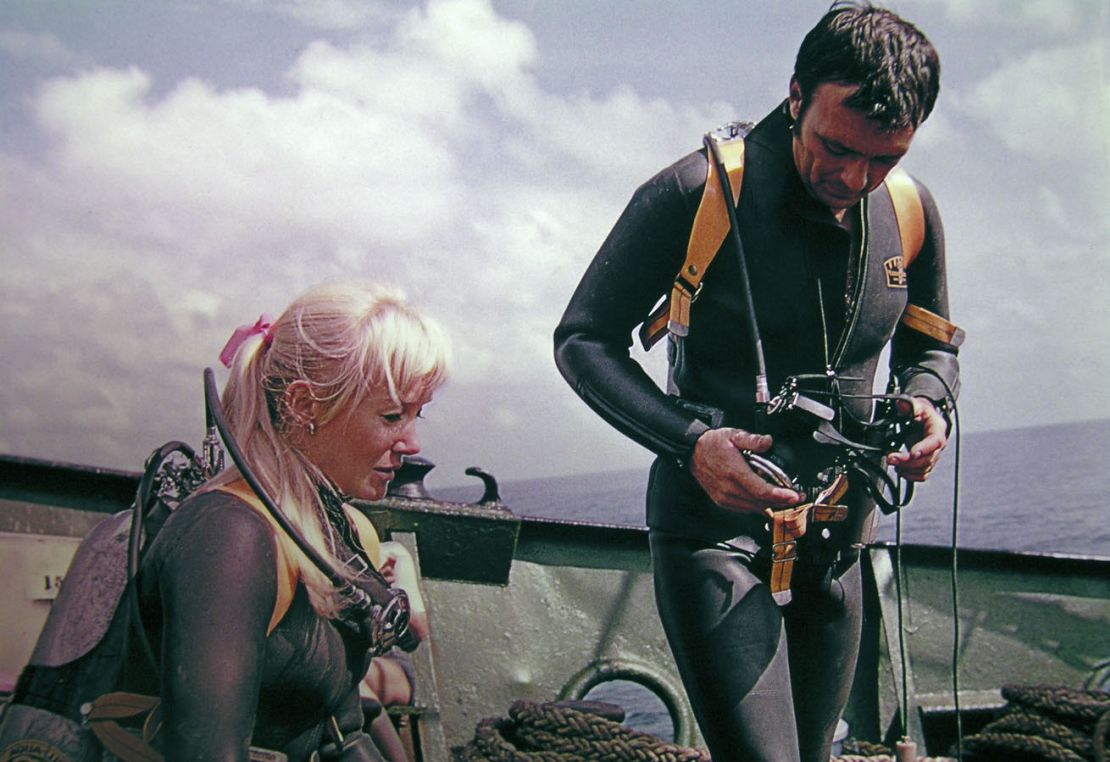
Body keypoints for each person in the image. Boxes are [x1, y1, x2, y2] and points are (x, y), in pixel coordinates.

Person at [553, 3, 959, 760]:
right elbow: (582, 341)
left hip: (840, 542)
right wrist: (691, 442)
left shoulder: (909, 212)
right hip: (715, 534)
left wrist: (931, 406)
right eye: (836, 148)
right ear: (797, 94)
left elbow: (933, 353)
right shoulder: (695, 193)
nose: (854, 177)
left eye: (884, 159)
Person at [126, 282, 450, 759]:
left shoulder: (342, 527)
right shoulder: (230, 537)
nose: (412, 443)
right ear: (304, 405)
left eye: (417, 415)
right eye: (391, 415)